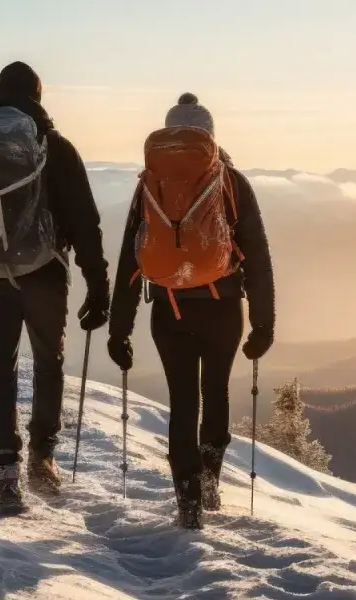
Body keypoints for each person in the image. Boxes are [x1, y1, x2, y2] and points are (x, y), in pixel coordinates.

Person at [0, 61, 111, 516]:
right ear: (38, 95)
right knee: (48, 362)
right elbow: (85, 221)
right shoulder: (53, 145)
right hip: (44, 273)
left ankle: (5, 472)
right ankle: (42, 459)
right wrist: (98, 287)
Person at [107, 93, 276, 530]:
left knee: (183, 402)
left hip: (170, 310)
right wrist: (263, 324)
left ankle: (187, 498)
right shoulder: (231, 182)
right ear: (210, 136)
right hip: (223, 308)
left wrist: (119, 329)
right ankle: (210, 480)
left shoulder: (150, 184)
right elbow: (257, 255)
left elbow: (130, 258)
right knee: (215, 392)